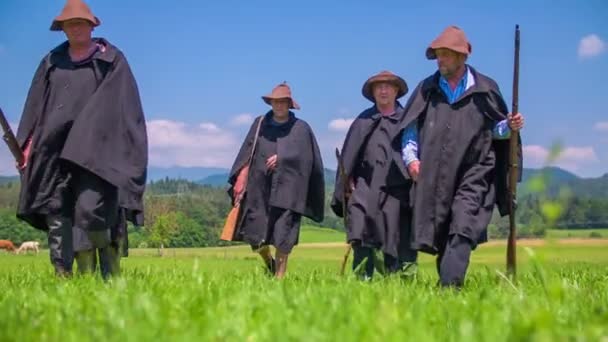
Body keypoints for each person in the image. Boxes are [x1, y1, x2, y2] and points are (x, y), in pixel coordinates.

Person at [15, 0, 148, 278]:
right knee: (56, 209)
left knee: (93, 211)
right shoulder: (52, 62)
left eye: (81, 23)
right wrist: (26, 144)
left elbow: (125, 108)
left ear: (91, 26)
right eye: (70, 24)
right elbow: (35, 105)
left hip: (96, 155)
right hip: (53, 150)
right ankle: (64, 277)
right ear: (62, 29)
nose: (76, 29)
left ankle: (108, 275)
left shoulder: (111, 61)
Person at [398, 25, 524, 287]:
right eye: (438, 54)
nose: (440, 59)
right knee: (443, 230)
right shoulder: (428, 89)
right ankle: (448, 284)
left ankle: (449, 288)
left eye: (445, 54)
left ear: (462, 56)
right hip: (435, 173)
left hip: (475, 171)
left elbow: (495, 130)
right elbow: (409, 127)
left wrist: (508, 126)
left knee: (463, 225)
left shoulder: (485, 89)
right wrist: (411, 160)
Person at [228, 82, 325, 279]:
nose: (278, 106)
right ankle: (268, 263)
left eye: (282, 102)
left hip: (289, 190)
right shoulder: (260, 124)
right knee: (255, 234)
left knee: (283, 235)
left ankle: (280, 279)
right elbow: (248, 151)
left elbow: (308, 158)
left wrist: (284, 157)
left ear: (289, 104)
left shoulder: (301, 129)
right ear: (270, 103)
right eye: (275, 102)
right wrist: (241, 178)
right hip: (259, 188)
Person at [331, 71, 418, 280]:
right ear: (373, 92)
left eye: (388, 86)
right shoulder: (363, 120)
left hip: (396, 189)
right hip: (365, 186)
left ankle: (395, 281)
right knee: (360, 231)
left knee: (394, 236)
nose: (384, 90)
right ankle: (362, 280)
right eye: (379, 87)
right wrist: (347, 179)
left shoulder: (408, 120)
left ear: (397, 91)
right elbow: (350, 154)